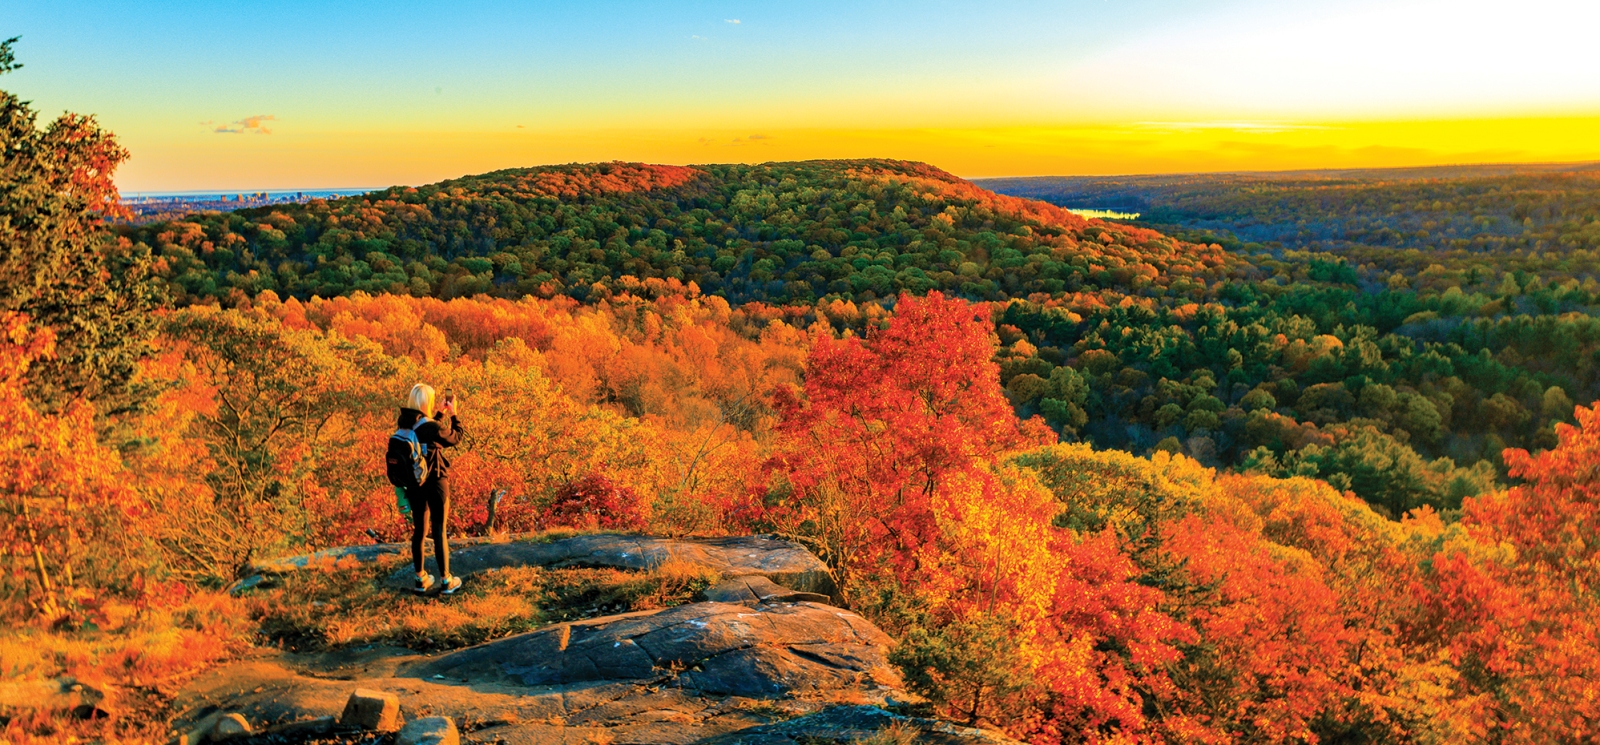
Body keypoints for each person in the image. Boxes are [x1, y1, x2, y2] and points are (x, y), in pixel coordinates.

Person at [398, 383, 465, 594]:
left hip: (415, 485)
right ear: (427, 402)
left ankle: (420, 579)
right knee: (438, 530)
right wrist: (453, 415)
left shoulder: (404, 424)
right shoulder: (432, 428)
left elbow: (424, 431)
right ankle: (446, 580)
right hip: (436, 482)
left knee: (419, 532)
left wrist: (439, 414)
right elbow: (455, 437)